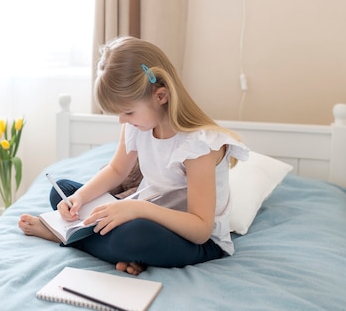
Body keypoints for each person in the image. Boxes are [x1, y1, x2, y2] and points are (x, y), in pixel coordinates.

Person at [19, 36, 248, 275]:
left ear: (161, 96)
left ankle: (62, 234)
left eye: (127, 111)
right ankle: (123, 252)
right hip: (148, 217)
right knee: (63, 191)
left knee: (136, 236)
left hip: (197, 242)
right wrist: (80, 198)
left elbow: (200, 228)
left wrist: (138, 209)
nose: (122, 120)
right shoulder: (137, 126)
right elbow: (116, 171)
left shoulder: (199, 145)